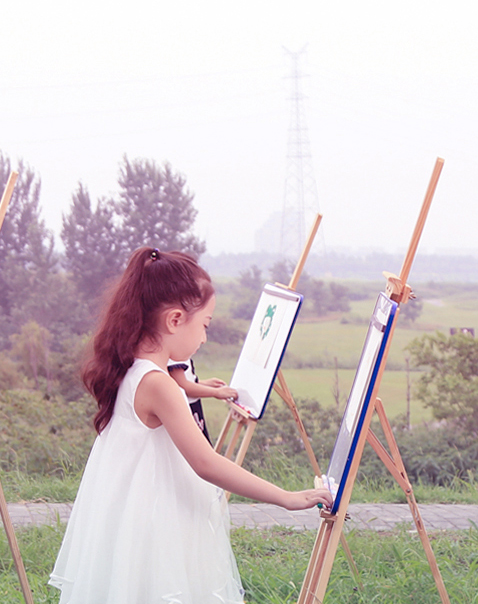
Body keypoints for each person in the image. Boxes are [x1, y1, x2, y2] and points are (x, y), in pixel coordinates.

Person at [49, 247, 332, 604]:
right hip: (155, 526)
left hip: (134, 520)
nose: (204, 338)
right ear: (175, 320)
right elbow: (205, 463)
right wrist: (286, 498)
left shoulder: (131, 368)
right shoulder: (158, 384)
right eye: (205, 325)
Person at [168, 357, 237, 445]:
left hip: (193, 408)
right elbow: (183, 386)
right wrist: (216, 392)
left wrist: (206, 384)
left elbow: (187, 381)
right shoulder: (175, 356)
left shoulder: (179, 354)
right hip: (187, 410)